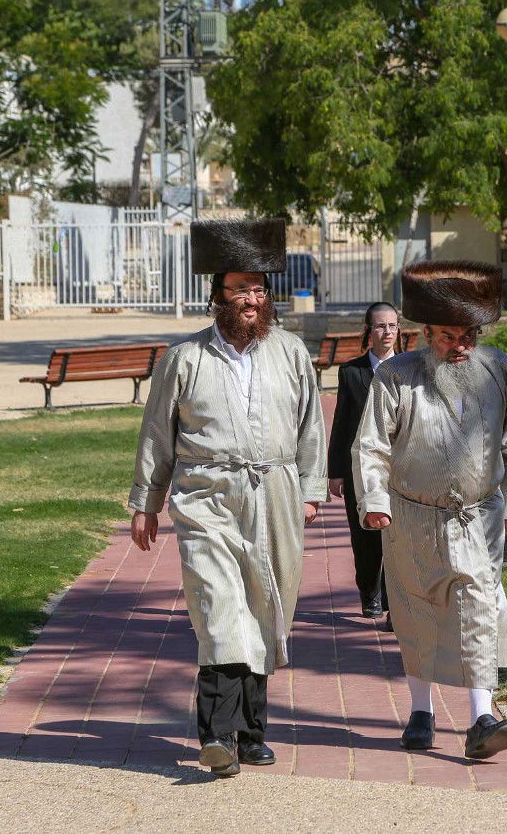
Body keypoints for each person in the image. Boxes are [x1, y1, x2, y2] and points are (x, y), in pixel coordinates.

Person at [128, 218, 327, 778]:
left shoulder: (290, 352)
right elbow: (156, 434)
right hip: (206, 496)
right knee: (220, 610)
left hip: (277, 496)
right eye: (240, 288)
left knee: (266, 605)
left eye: (259, 289)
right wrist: (147, 501)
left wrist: (310, 489)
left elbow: (312, 427)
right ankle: (216, 735)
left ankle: (251, 732)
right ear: (216, 295)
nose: (251, 299)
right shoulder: (184, 359)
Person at [352, 260, 507, 760]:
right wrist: (374, 502)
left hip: (479, 516)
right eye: (450, 337)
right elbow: (370, 447)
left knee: (479, 607)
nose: (461, 348)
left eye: (470, 335)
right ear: (425, 333)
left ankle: (481, 716)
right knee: (416, 613)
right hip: (410, 518)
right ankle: (420, 711)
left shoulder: (497, 369)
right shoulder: (395, 377)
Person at [326, 302, 400, 629]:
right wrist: (336, 471)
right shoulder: (351, 372)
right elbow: (341, 423)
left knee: (399, 538)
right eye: (380, 326)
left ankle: (395, 601)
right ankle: (370, 595)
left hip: (400, 469)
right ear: (368, 331)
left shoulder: (410, 370)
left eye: (393, 326)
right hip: (360, 469)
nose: (387, 332)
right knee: (365, 536)